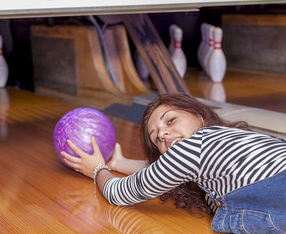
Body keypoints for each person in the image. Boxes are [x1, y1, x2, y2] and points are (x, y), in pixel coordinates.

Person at [61, 93, 286, 234]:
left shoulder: (193, 148)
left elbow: (118, 193)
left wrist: (98, 169)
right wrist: (119, 162)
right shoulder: (223, 140)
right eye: (156, 137)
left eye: (170, 120)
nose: (163, 133)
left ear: (199, 116)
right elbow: (158, 171)